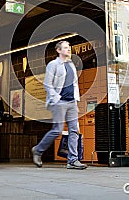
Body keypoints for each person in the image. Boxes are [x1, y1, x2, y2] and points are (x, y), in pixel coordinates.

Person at [31, 40, 87, 170]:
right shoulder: (53, 64)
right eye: (66, 48)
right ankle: (38, 150)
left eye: (69, 47)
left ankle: (73, 160)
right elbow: (47, 84)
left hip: (72, 102)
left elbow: (74, 84)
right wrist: (56, 98)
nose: (68, 50)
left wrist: (76, 100)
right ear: (58, 50)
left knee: (74, 131)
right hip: (60, 101)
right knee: (57, 130)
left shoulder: (71, 64)